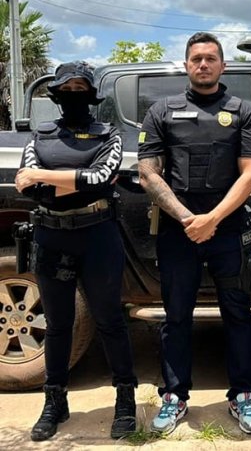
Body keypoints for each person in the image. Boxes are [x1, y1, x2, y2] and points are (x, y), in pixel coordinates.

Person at [137, 32, 251, 435]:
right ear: (186, 65)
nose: (204, 64)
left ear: (223, 65)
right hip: (178, 232)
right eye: (197, 59)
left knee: (238, 314)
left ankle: (242, 395)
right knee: (176, 317)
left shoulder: (242, 111)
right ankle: (175, 397)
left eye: (211, 58)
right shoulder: (162, 111)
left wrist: (212, 219)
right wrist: (187, 218)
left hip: (229, 230)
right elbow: (148, 173)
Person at [15, 61, 138, 441]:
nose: (73, 94)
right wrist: (75, 181)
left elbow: (101, 180)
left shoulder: (108, 134)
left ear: (92, 94)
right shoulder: (40, 136)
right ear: (56, 94)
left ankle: (125, 400)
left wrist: (44, 175)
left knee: (110, 320)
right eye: (66, 89)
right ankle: (55, 401)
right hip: (51, 237)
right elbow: (28, 188)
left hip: (98, 236)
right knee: (58, 324)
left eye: (80, 88)